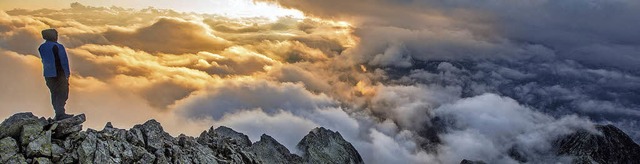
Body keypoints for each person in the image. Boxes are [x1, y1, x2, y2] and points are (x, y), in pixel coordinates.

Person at [38, 29, 74, 121]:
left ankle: (58, 113)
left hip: (48, 74)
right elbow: (63, 61)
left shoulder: (42, 47)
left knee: (54, 93)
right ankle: (60, 114)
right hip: (59, 74)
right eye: (56, 34)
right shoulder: (58, 46)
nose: (57, 36)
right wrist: (67, 74)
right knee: (63, 93)